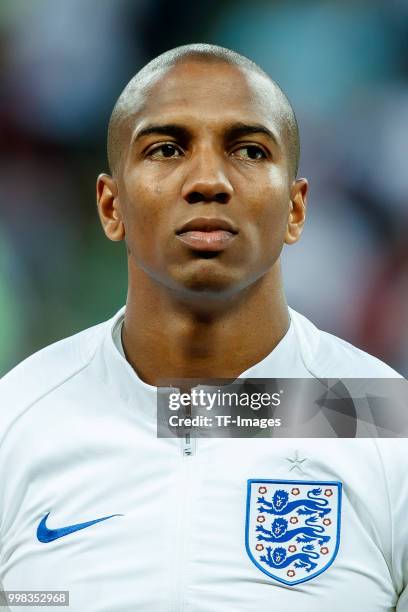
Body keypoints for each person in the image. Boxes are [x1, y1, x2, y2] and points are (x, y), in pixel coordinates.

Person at [0, 44, 406, 612]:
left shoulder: (385, 419)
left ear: (295, 210)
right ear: (110, 206)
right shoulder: (16, 417)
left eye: (247, 150)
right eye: (167, 149)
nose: (209, 181)